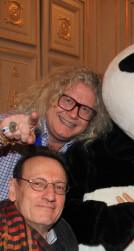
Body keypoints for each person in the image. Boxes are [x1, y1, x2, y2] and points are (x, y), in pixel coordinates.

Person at [0, 65, 112, 201]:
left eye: (84, 109)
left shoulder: (87, 155)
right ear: (50, 96)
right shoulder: (16, 124)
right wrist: (3, 134)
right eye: (68, 100)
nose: (73, 114)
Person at [0, 147, 78, 251]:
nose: (50, 195)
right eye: (37, 183)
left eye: (59, 187)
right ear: (13, 189)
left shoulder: (66, 247)